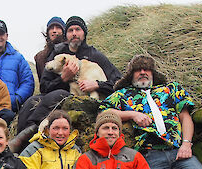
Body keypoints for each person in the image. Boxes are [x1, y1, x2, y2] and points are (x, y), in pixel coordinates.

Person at [100, 54, 202, 169]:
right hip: (150, 154)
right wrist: (132, 115)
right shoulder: (123, 94)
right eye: (138, 70)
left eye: (147, 69)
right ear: (131, 75)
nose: (143, 72)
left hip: (177, 149)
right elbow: (104, 112)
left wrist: (186, 143)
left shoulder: (170, 89)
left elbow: (185, 117)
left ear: (153, 73)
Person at [12, 16, 121, 150]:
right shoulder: (57, 53)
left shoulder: (95, 55)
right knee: (31, 101)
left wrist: (98, 84)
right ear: (66, 34)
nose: (74, 33)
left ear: (84, 33)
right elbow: (45, 86)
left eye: (78, 29)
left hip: (82, 98)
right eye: (70, 30)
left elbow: (117, 81)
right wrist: (63, 78)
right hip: (53, 97)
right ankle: (20, 140)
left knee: (59, 94)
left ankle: (31, 132)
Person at [0, 20, 34, 112]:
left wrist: (16, 99)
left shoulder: (18, 58)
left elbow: (28, 82)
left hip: (9, 110)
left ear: (7, 36)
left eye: (1, 34)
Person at [34, 17, 66, 81]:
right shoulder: (39, 57)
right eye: (51, 28)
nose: (54, 31)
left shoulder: (70, 52)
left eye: (58, 28)